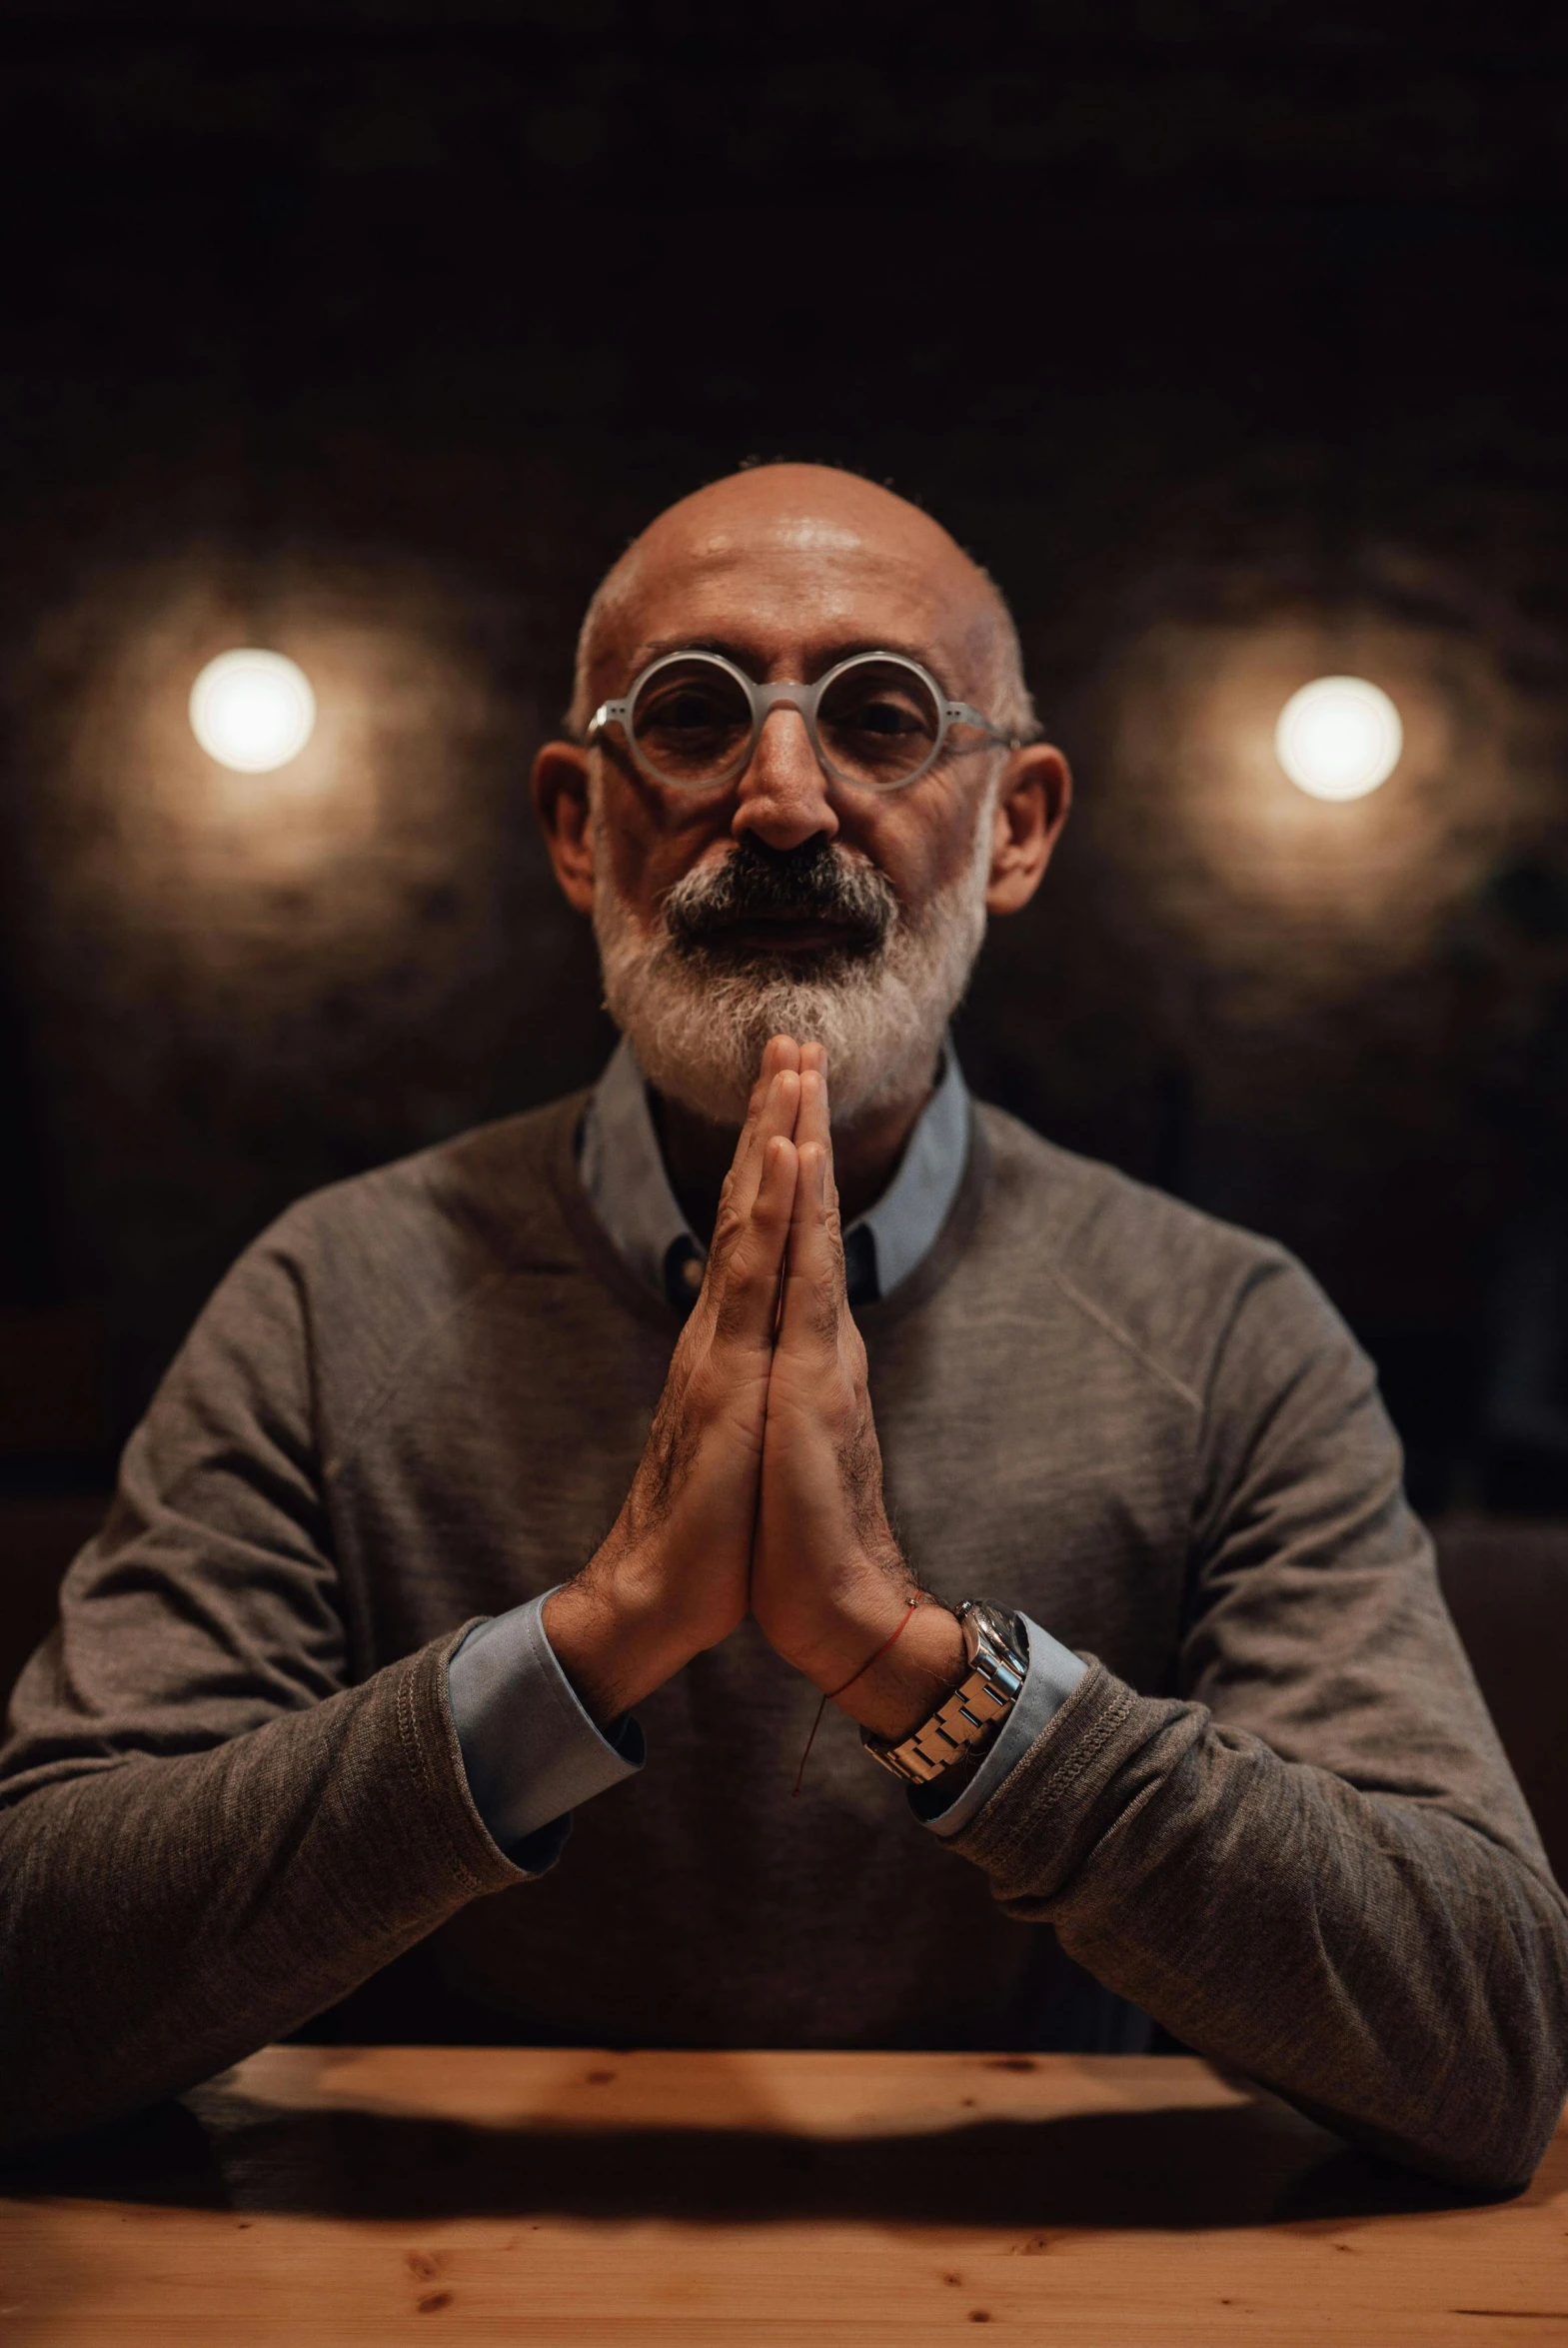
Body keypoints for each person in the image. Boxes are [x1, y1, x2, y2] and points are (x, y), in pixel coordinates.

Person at [1, 465, 1564, 2193]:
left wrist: (911, 1664)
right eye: (693, 714)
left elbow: (1484, 2042)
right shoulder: (325, 1299)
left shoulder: (1228, 1331)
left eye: (883, 719)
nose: (784, 801)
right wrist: (593, 1642)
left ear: (1018, 823)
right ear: (579, 820)